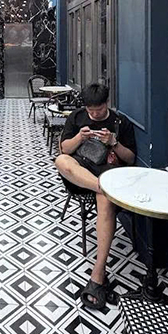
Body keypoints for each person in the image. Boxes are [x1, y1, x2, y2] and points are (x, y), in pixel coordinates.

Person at [55, 82, 136, 311]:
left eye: (98, 110)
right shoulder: (77, 117)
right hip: (83, 176)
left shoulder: (120, 122)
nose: (94, 114)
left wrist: (113, 142)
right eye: (90, 110)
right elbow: (64, 150)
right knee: (61, 161)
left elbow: (130, 158)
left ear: (106, 103)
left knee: (105, 202)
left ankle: (98, 273)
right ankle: (103, 188)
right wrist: (79, 138)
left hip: (108, 173)